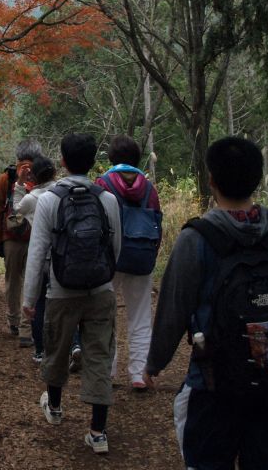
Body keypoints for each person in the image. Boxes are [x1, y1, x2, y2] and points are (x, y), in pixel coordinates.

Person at [143, 136, 268, 470]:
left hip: (214, 381)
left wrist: (154, 363)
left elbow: (173, 310)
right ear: (258, 180)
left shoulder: (196, 240)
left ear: (212, 180)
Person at [23, 133, 121, 455]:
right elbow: (115, 247)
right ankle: (98, 432)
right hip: (100, 290)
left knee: (57, 348)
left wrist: (29, 299)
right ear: (93, 162)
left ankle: (54, 407)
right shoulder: (107, 199)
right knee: (99, 355)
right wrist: (105, 279)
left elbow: (37, 252)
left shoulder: (50, 199)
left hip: (61, 290)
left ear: (63, 162)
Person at [96, 134, 163, 391]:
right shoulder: (149, 188)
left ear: (112, 158)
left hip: (110, 260)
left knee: (105, 316)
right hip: (141, 257)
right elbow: (158, 223)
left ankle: (108, 371)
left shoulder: (103, 184)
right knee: (141, 315)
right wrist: (151, 254)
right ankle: (138, 374)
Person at [0, 139, 42, 345]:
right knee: (33, 281)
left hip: (10, 237)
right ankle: (26, 325)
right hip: (36, 238)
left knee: (13, 281)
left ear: (18, 155)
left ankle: (13, 320)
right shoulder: (40, 175)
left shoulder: (6, 177)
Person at [15, 155, 58, 365]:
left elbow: (16, 209)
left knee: (39, 303)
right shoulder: (61, 191)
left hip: (42, 254)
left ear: (34, 176)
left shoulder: (31, 198)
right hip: (63, 255)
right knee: (64, 302)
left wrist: (19, 183)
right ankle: (74, 345)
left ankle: (40, 350)